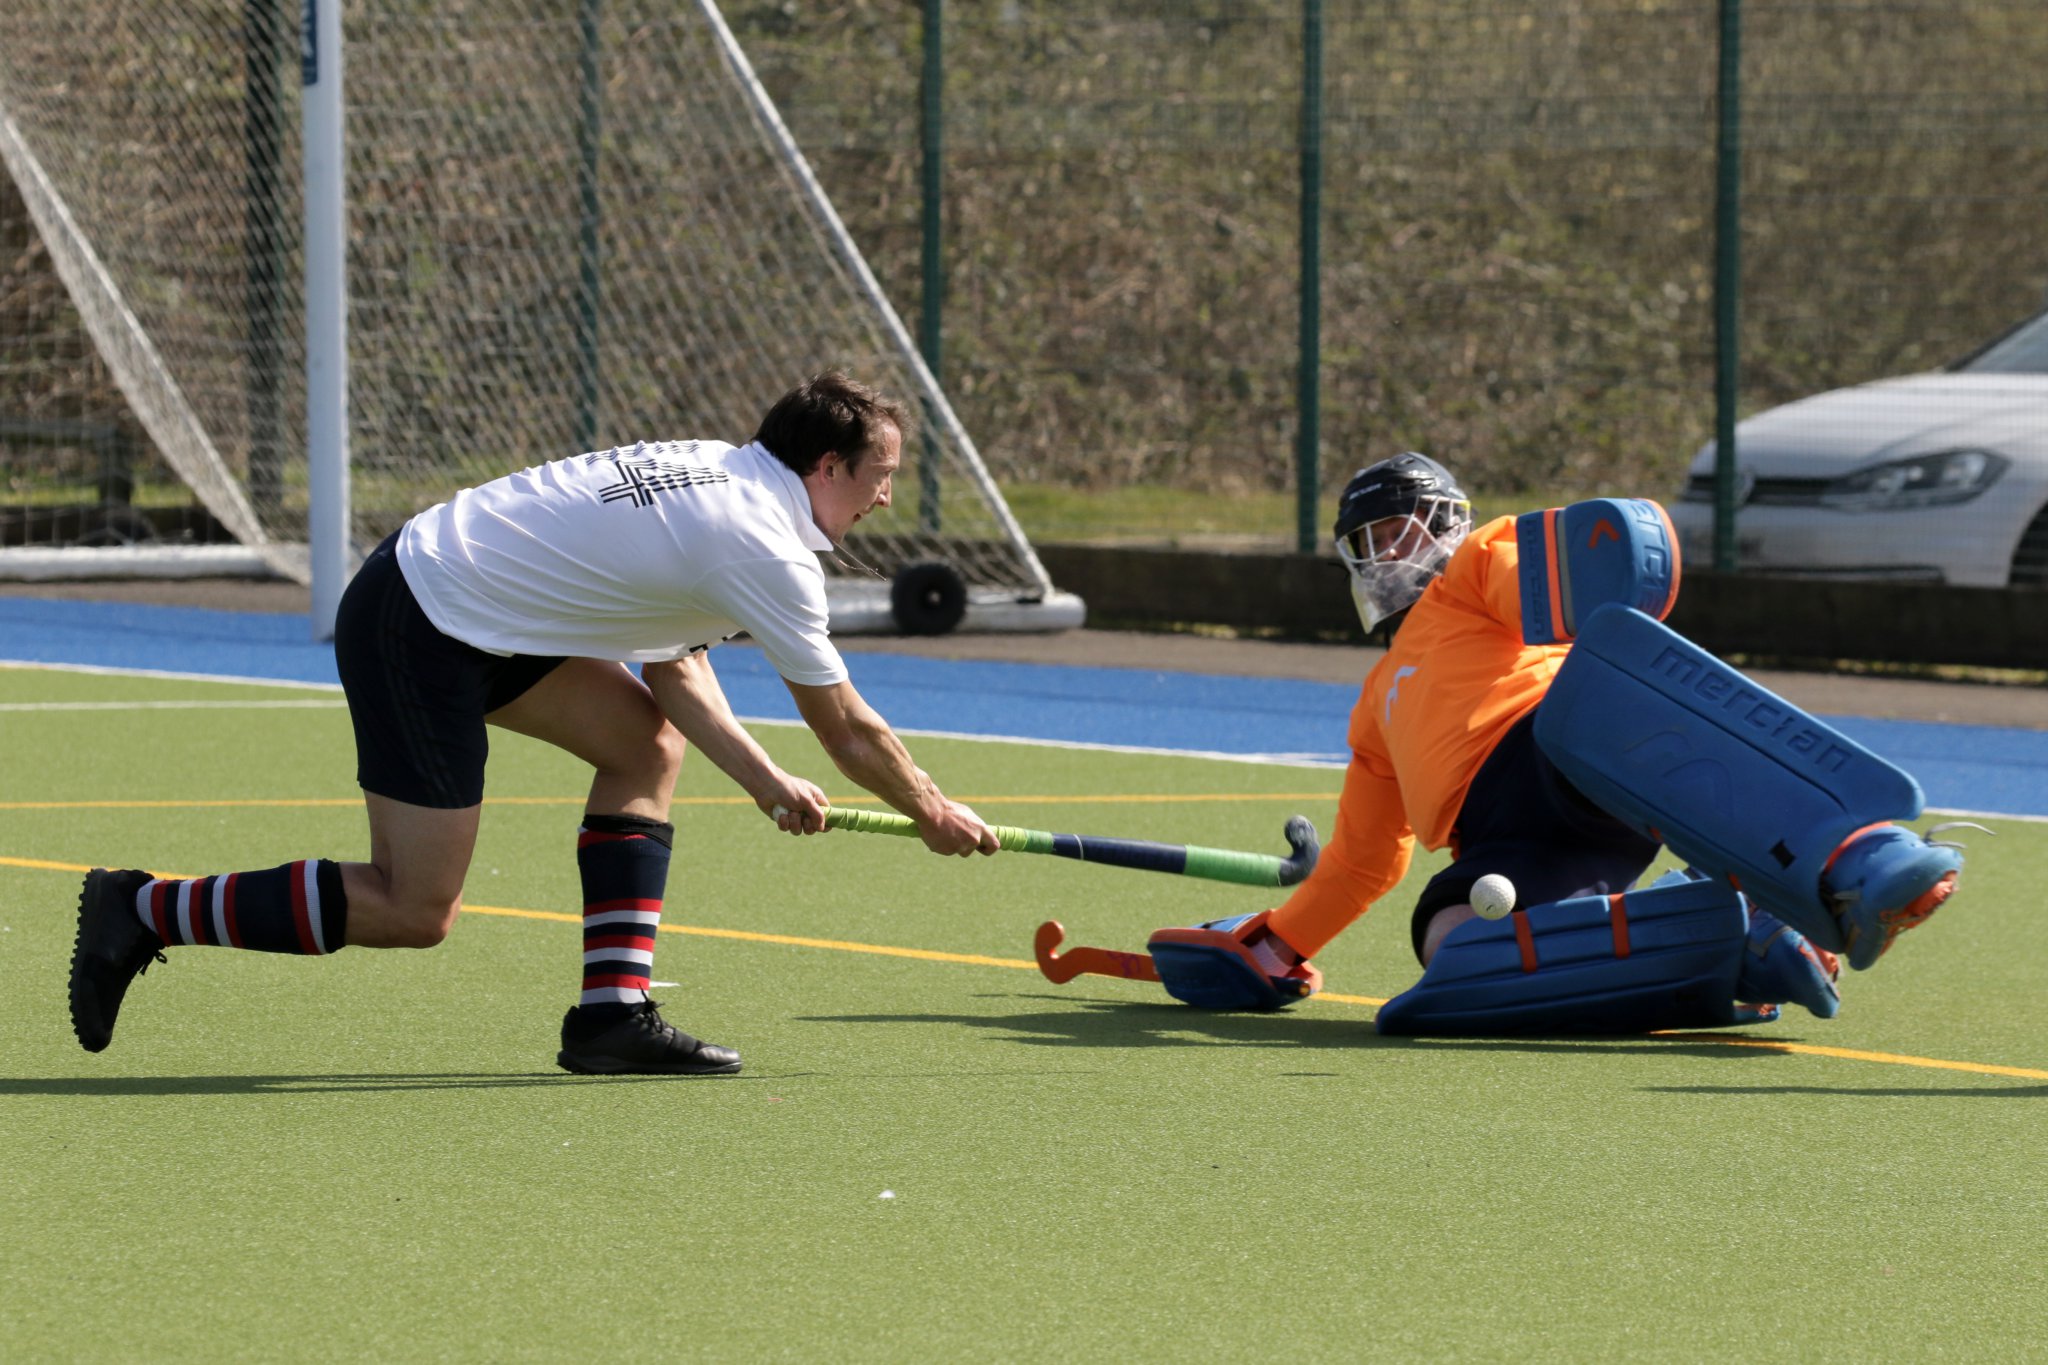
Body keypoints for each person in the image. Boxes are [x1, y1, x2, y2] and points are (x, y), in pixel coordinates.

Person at [68, 371, 999, 1074]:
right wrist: (932, 809)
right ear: (827, 466)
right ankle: (143, 906)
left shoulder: (729, 476)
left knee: (642, 744)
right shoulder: (763, 541)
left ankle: (610, 1017)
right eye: (880, 475)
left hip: (485, 610)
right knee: (414, 906)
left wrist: (759, 777)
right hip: (420, 621)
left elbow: (674, 661)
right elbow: (847, 732)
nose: (885, 496)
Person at [1140, 452, 1968, 1033]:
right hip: (1507, 841)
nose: (1389, 555)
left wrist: (1583, 567)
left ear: (1444, 524)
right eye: (1372, 542)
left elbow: (1540, 582)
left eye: (1401, 530)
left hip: (1567, 752)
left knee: (1640, 729)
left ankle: (1867, 864)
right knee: (1452, 941)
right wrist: (1275, 944)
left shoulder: (1472, 574)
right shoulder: (1370, 707)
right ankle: (1747, 950)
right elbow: (1361, 862)